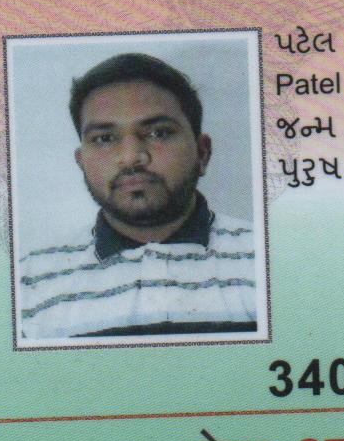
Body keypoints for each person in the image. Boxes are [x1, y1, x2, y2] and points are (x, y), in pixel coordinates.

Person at [15, 52, 262, 339]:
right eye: (104, 138)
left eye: (159, 133)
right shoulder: (28, 283)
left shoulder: (269, 261)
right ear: (81, 162)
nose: (132, 157)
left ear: (202, 153)